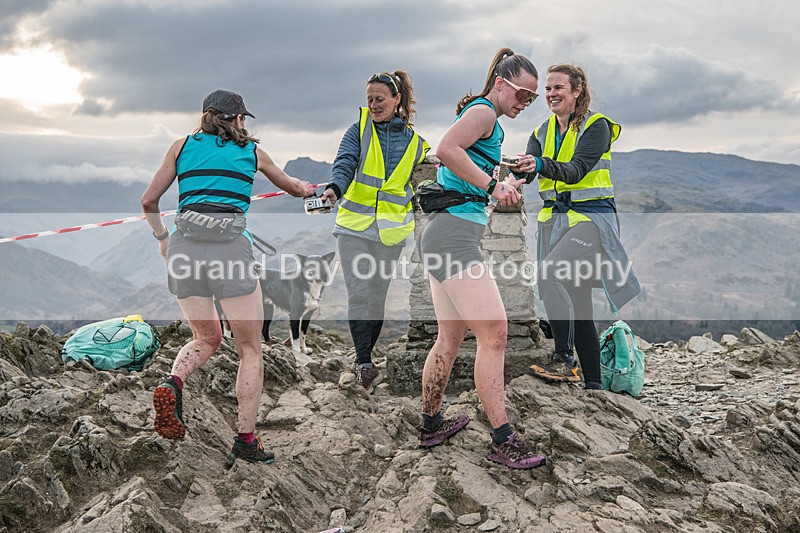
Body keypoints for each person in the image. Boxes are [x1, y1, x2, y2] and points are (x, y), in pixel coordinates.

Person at [141, 89, 315, 464]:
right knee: (250, 349)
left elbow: (148, 201)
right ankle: (246, 441)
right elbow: (293, 187)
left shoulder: (181, 146)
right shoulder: (252, 153)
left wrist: (162, 239)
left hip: (184, 250)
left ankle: (173, 382)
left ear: (205, 116)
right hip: (231, 252)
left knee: (205, 336)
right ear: (238, 119)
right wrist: (311, 190)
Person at [416, 48, 546, 469]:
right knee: (495, 333)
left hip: (443, 234)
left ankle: (432, 423)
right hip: (453, 238)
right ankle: (502, 438)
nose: (525, 104)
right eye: (523, 94)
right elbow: (447, 149)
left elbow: (465, 165)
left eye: (532, 98)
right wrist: (493, 188)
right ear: (502, 83)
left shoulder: (487, 117)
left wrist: (507, 175)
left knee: (450, 337)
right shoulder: (486, 111)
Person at [506, 64, 640, 388]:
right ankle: (594, 387)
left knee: (549, 273)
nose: (551, 94)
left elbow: (577, 170)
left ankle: (565, 359)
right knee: (578, 301)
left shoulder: (597, 127)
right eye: (548, 89)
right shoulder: (540, 132)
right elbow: (529, 172)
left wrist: (537, 163)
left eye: (558, 88)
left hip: (591, 221)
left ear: (577, 91)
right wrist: (511, 176)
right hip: (555, 222)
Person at [320, 71, 429, 393]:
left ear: (397, 100)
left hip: (390, 232)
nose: (373, 105)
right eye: (368, 99)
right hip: (354, 226)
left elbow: (425, 181)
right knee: (359, 291)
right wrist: (334, 189)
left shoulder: (417, 144)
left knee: (378, 295)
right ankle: (364, 360)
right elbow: (344, 162)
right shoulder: (358, 130)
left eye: (379, 99)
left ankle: (366, 358)